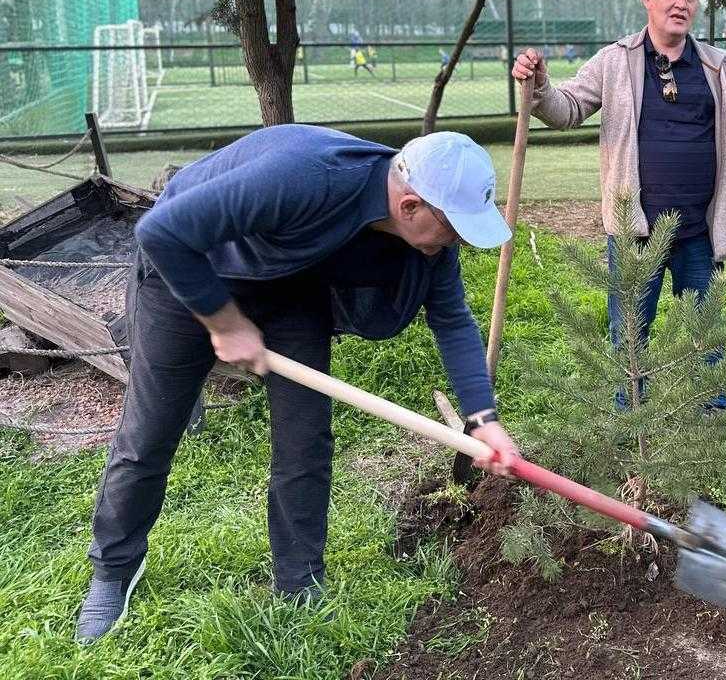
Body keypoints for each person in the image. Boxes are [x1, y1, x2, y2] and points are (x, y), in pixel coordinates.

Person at [75, 127, 521, 643]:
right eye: (454, 228)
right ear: (410, 205)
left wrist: (483, 418)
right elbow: (161, 231)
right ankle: (113, 569)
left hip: (290, 287)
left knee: (305, 440)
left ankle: (298, 581)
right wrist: (225, 322)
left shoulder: (428, 245)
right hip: (188, 270)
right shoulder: (305, 177)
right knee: (149, 434)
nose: (457, 241)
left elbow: (452, 318)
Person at [512, 0, 726, 409]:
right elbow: (566, 110)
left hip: (699, 232)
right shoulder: (614, 61)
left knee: (705, 338)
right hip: (635, 232)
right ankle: (631, 422)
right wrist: (537, 85)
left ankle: (708, 425)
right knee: (629, 337)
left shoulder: (719, 66)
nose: (681, 3)